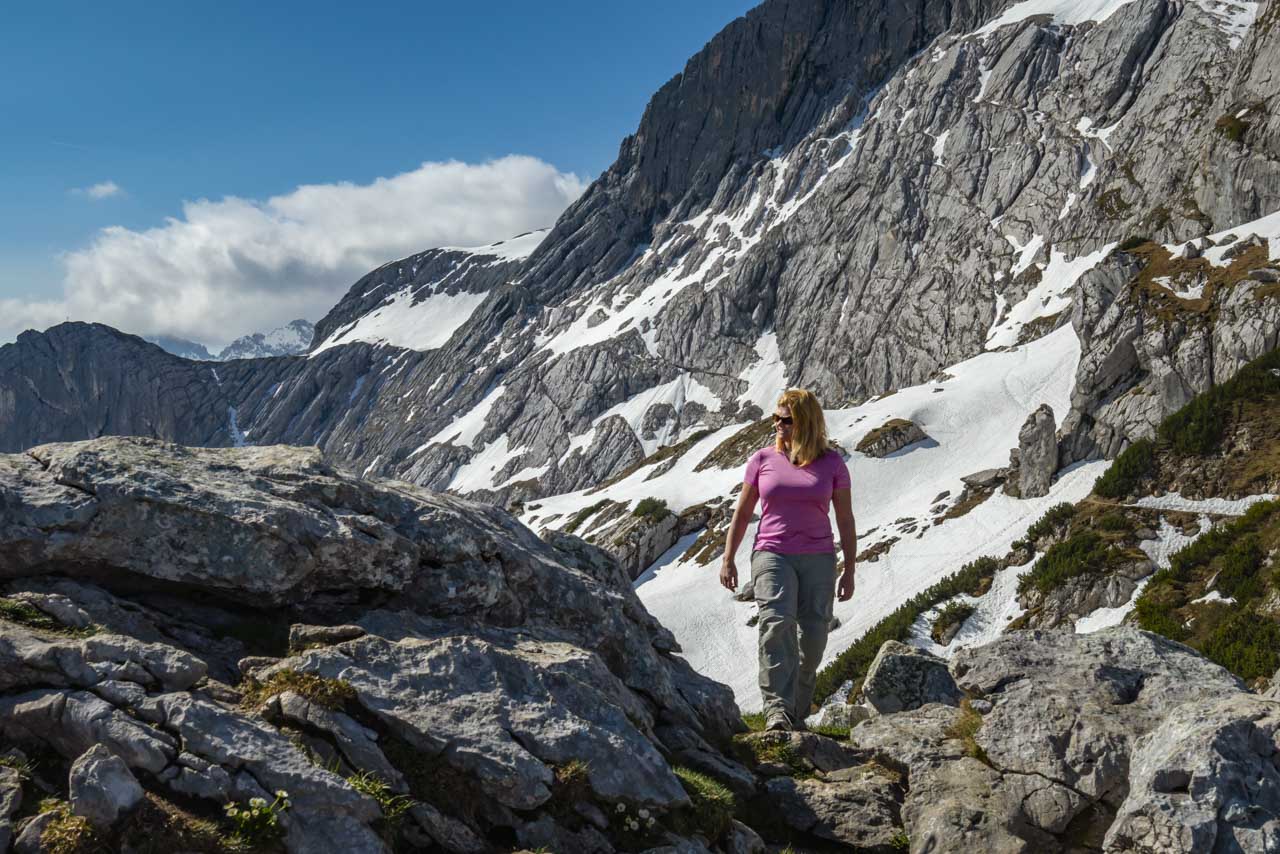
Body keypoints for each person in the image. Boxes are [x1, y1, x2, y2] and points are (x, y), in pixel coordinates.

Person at [719, 388, 856, 731]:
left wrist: (850, 568)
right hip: (771, 552)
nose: (778, 424)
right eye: (775, 418)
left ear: (806, 423)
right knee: (776, 624)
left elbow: (846, 518)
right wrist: (728, 557)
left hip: (820, 556)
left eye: (786, 419)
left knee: (814, 636)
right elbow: (743, 512)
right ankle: (776, 711)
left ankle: (796, 712)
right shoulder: (762, 459)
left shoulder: (832, 464)